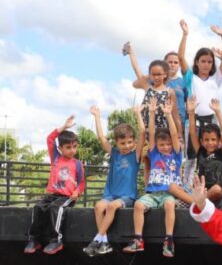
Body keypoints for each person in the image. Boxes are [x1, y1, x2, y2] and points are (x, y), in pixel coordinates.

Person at [82, 105, 145, 256]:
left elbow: (143, 132)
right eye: (122, 143)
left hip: (127, 196)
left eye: (130, 142)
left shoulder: (135, 155)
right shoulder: (115, 154)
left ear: (134, 142)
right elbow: (101, 138)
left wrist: (138, 114)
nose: (126, 146)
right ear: (117, 143)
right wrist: (97, 117)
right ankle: (104, 242)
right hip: (110, 194)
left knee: (111, 207)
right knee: (98, 206)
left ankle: (97, 239)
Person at [123, 99, 182, 258]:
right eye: (162, 144)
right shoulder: (154, 154)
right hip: (152, 193)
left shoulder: (176, 156)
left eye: (168, 144)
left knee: (169, 204)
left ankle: (169, 240)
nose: (166, 147)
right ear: (157, 145)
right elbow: (150, 133)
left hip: (168, 193)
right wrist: (151, 113)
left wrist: (169, 115)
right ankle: (138, 239)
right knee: (138, 205)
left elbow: (175, 134)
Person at [178, 18, 222, 185]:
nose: (206, 64)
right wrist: (185, 34)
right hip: (193, 121)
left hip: (211, 121)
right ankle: (186, 189)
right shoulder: (190, 78)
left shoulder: (216, 79)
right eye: (203, 61)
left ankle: (208, 186)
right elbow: (180, 57)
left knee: (210, 157)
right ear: (197, 62)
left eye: (209, 61)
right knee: (191, 158)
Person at [24, 116, 84, 255]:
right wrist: (64, 127)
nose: (72, 150)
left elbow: (81, 182)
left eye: (74, 147)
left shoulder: (77, 164)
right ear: (60, 148)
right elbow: (50, 138)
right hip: (51, 195)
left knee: (55, 208)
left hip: (66, 197)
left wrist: (77, 192)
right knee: (38, 207)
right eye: (68, 147)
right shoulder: (56, 157)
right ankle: (34, 239)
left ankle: (56, 240)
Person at [188, 97, 222, 205]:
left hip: (214, 195)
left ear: (219, 141)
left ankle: (198, 201)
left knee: (217, 189)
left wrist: (218, 112)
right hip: (201, 189)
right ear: (201, 141)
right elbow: (192, 133)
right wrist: (191, 113)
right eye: (206, 140)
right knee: (192, 183)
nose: (210, 143)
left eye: (213, 139)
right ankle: (198, 199)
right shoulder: (201, 151)